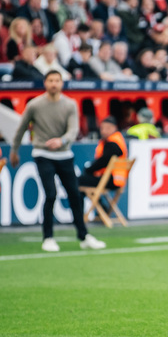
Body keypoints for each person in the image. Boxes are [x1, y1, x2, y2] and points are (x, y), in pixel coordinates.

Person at [10, 70, 107, 252]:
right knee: (51, 194)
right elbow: (21, 128)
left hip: (64, 154)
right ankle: (48, 237)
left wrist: (61, 140)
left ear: (62, 83)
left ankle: (83, 235)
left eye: (57, 80)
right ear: (45, 83)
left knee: (74, 195)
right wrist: (14, 150)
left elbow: (73, 130)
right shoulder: (35, 105)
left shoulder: (70, 104)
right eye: (50, 80)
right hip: (43, 153)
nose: (54, 84)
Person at [79, 116, 128, 190]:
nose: (104, 131)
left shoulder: (112, 143)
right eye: (102, 128)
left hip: (110, 179)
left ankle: (94, 201)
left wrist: (90, 169)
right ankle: (98, 201)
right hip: (116, 179)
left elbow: (104, 160)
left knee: (77, 181)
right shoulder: (117, 139)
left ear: (114, 128)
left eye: (108, 128)